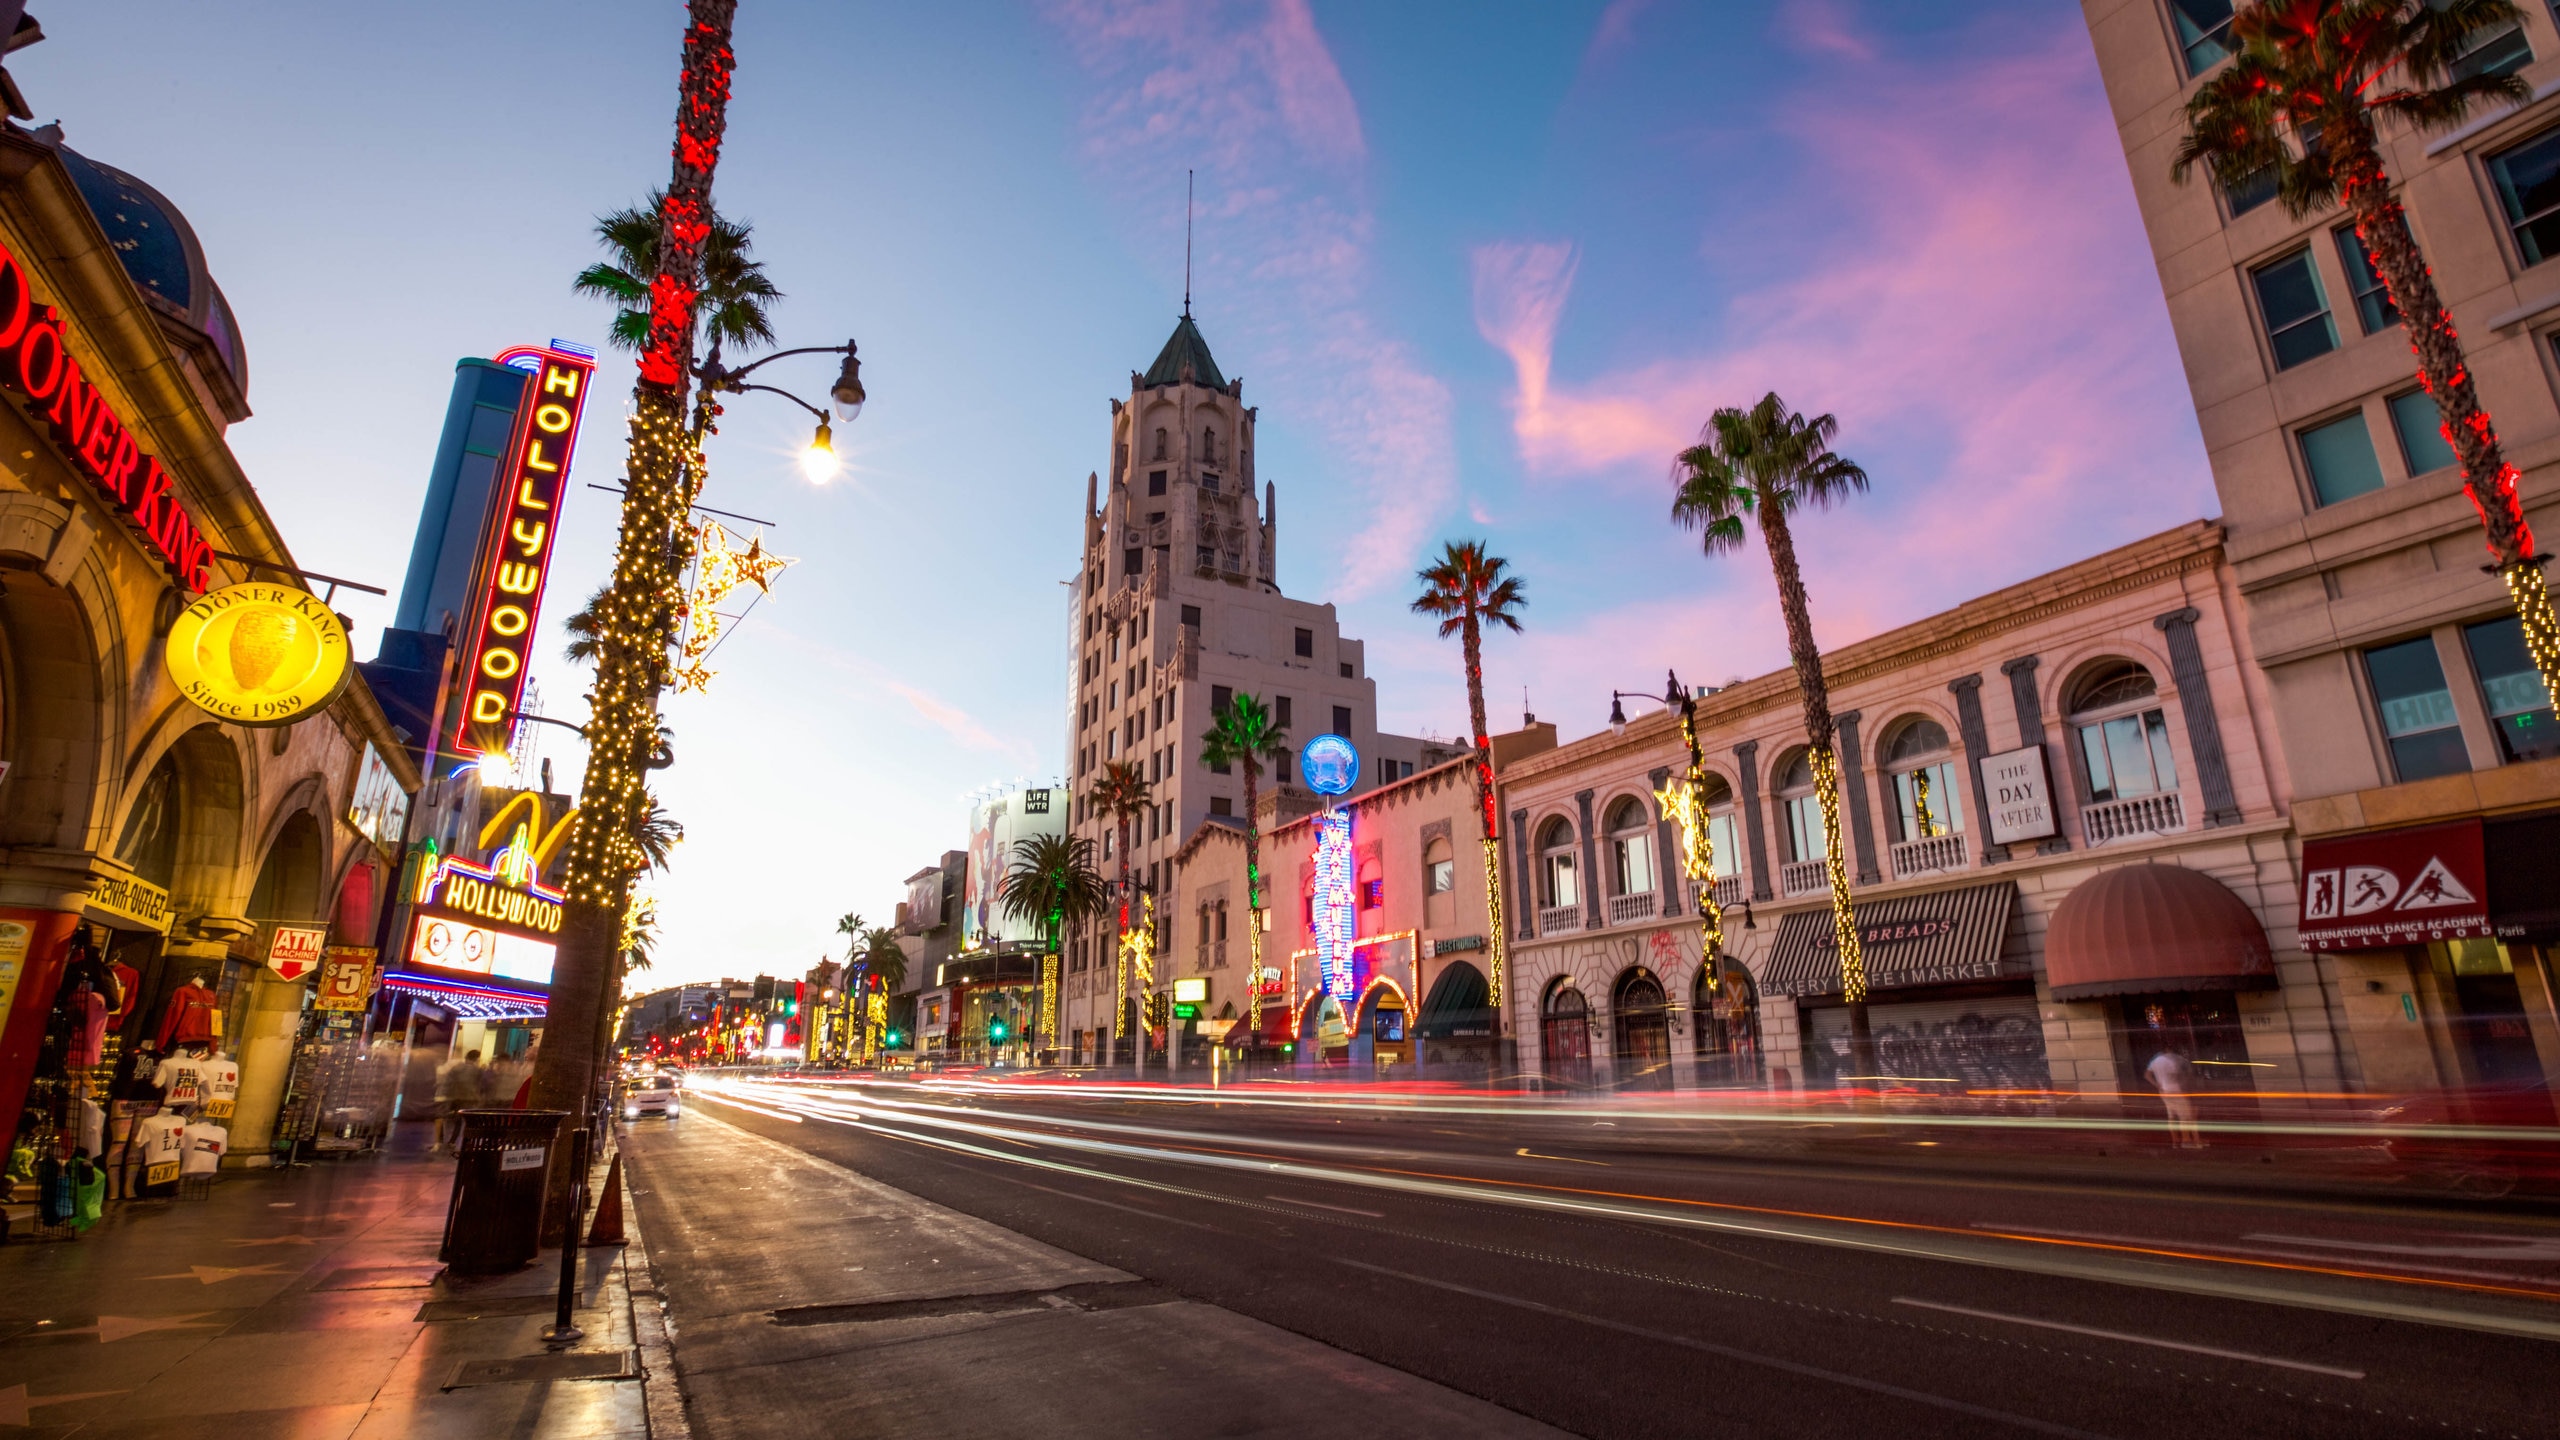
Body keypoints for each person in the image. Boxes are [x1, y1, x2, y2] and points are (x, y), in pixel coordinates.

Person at [2146, 1045, 2203, 1150]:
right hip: (2175, 1090)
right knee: (2184, 1117)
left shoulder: (2155, 1060)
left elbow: (2147, 1075)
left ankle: (2175, 1141)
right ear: (2169, 1051)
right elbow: (2178, 1075)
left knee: (2171, 1117)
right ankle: (2186, 1141)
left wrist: (2157, 1084)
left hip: (2163, 1092)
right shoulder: (2171, 1060)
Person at [432, 1049, 489, 1151]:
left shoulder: (456, 1068)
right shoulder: (478, 1071)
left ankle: (440, 1142)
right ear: (476, 1059)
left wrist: (444, 1095)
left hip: (452, 1097)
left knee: (443, 1118)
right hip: (467, 1099)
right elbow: (482, 1086)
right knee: (459, 1121)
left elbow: (448, 1081)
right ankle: (452, 1142)